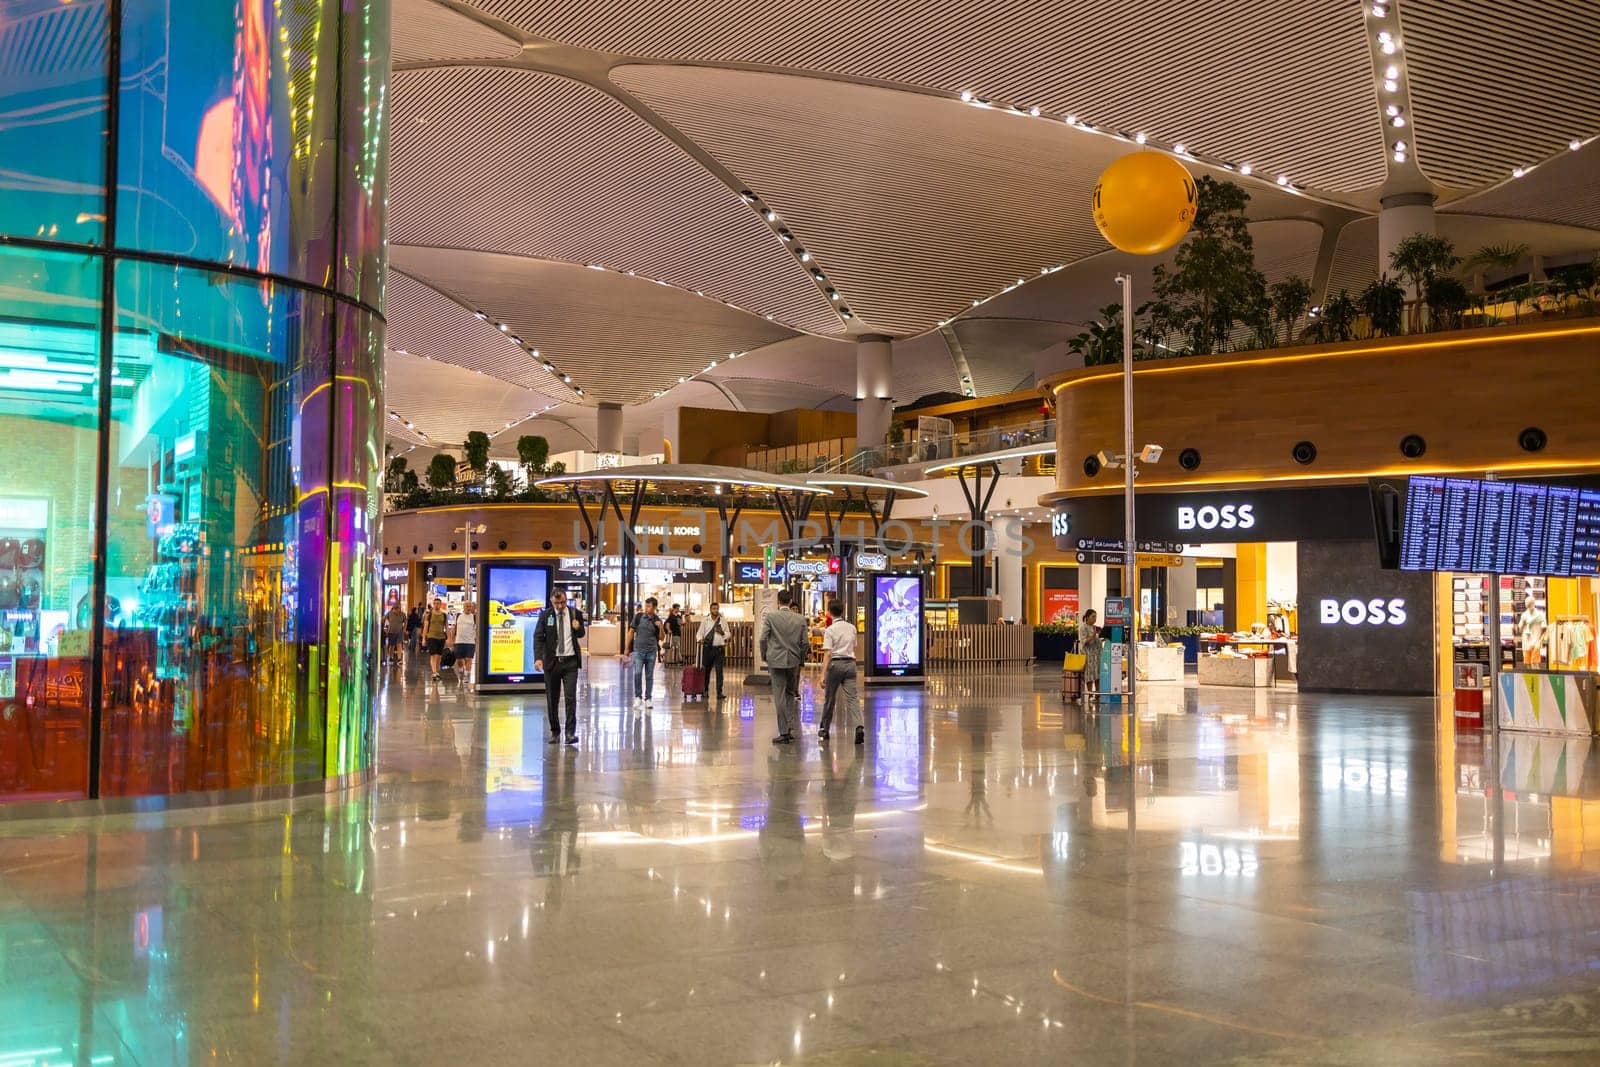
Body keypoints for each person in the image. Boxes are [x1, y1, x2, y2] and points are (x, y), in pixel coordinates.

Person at [534, 589, 587, 745]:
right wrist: (538, 658)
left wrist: (578, 628)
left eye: (562, 602)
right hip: (552, 662)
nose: (560, 606)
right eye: (557, 603)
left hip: (570, 661)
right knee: (552, 699)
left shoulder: (575, 613)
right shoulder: (545, 616)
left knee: (571, 698)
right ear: (552, 601)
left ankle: (570, 733)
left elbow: (581, 634)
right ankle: (555, 732)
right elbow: (538, 637)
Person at [759, 588, 810, 745]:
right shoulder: (800, 619)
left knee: (779, 695)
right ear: (790, 601)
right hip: (793, 661)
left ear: (778, 602)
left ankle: (783, 732)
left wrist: (765, 656)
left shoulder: (771, 617)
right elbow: (805, 643)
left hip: (775, 660)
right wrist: (801, 659)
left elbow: (762, 638)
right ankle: (789, 726)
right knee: (790, 694)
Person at [818, 598, 863, 745]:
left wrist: (822, 674)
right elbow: (853, 646)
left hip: (836, 665)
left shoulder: (830, 630)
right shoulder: (851, 627)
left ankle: (824, 729)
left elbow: (828, 653)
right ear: (842, 611)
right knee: (852, 698)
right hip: (850, 664)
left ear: (829, 613)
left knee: (830, 698)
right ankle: (859, 727)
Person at [626, 597, 664, 710]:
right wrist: (626, 648)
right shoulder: (638, 617)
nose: (647, 608)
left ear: (654, 608)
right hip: (638, 651)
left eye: (649, 606)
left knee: (649, 676)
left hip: (651, 651)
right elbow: (631, 632)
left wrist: (660, 627)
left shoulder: (657, 620)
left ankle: (648, 698)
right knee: (637, 673)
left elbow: (662, 638)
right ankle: (638, 697)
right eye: (646, 606)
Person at [695, 601, 730, 699]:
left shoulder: (723, 621)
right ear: (710, 610)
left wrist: (722, 633)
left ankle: (719, 693)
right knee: (706, 671)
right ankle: (705, 690)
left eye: (717, 609)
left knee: (719, 671)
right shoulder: (705, 620)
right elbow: (699, 633)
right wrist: (700, 639)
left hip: (719, 649)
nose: (715, 610)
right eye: (713, 609)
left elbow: (728, 634)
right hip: (708, 649)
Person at [451, 601, 478, 687]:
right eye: (466, 606)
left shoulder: (474, 617)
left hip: (470, 642)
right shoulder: (459, 616)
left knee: (469, 659)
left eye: (470, 606)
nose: (468, 608)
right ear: (463, 607)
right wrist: (452, 639)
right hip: (459, 641)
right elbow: (454, 628)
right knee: (459, 660)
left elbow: (477, 629)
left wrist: (477, 640)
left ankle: (466, 676)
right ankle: (461, 670)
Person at [423, 598, 449, 680]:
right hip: (431, 636)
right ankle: (434, 672)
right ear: (433, 604)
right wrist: (424, 638)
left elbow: (446, 627)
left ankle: (436, 671)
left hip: (441, 637)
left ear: (440, 604)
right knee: (433, 655)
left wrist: (448, 638)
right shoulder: (429, 615)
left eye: (438, 603)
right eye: (435, 603)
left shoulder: (444, 615)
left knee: (439, 656)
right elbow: (425, 627)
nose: (437, 605)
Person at [1078, 609, 1102, 695]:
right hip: (1088, 656)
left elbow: (1096, 640)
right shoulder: (1083, 628)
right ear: (1087, 617)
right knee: (1089, 676)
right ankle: (1090, 694)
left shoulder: (1094, 627)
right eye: (1093, 617)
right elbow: (1085, 641)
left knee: (1097, 675)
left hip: (1096, 655)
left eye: (1096, 617)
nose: (1095, 619)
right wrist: (1094, 634)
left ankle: (1098, 694)